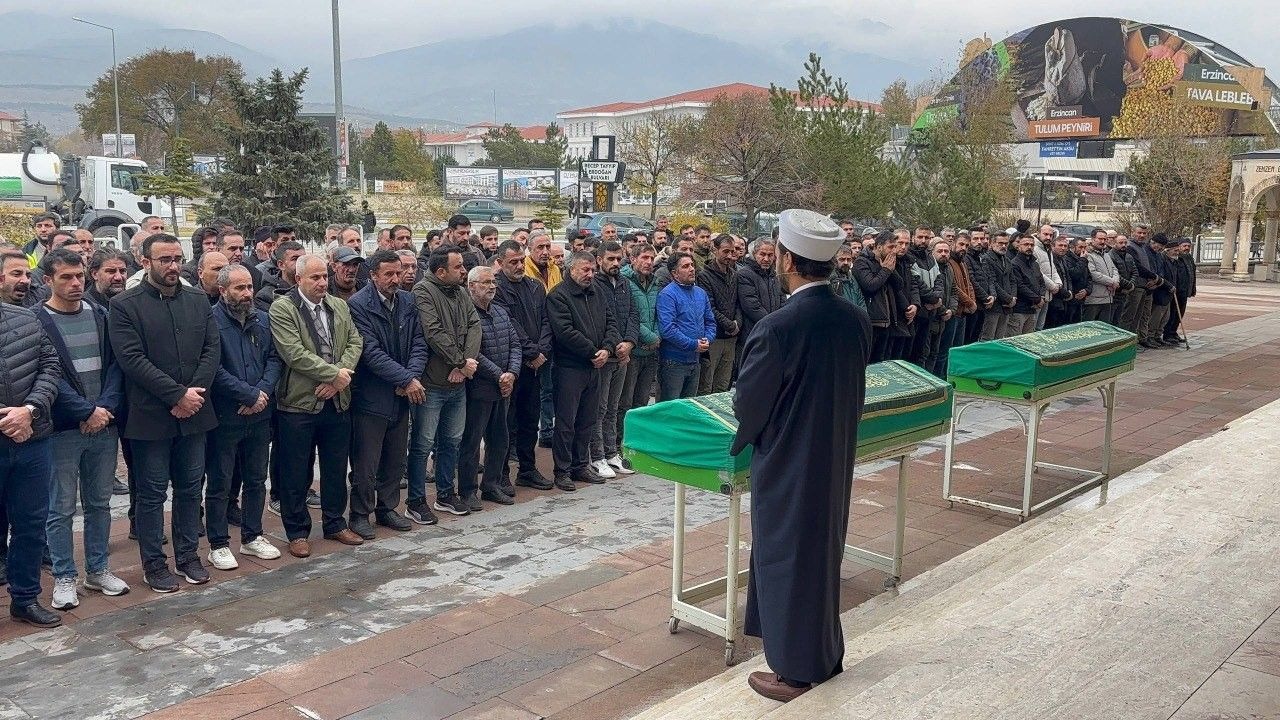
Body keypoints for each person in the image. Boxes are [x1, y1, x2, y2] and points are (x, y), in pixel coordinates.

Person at [731, 210, 871, 702]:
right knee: (822, 554)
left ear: (787, 259)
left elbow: (750, 402)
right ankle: (824, 655)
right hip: (833, 452)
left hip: (789, 460)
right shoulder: (852, 316)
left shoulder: (778, 326)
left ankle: (793, 671)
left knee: (786, 556)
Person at [109, 233, 221, 593]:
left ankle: (188, 556)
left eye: (177, 259)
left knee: (190, 489)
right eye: (164, 260)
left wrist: (193, 394)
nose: (173, 266)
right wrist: (176, 395)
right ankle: (154, 563)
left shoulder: (198, 299)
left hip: (196, 411)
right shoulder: (125, 305)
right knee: (153, 493)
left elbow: (211, 348)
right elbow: (132, 359)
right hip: (151, 415)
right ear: (145, 263)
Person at [37, 248, 131, 610]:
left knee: (99, 503)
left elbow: (115, 367)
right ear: (47, 280)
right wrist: (85, 410)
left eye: (79, 276)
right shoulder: (37, 320)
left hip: (103, 427)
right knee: (60, 508)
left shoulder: (101, 316)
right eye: (66, 277)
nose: (75, 283)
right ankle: (64, 576)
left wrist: (104, 408)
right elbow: (49, 377)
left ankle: (99, 570)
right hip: (63, 429)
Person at [268, 255, 365, 558]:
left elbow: (355, 342)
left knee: (336, 467)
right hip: (298, 404)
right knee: (296, 471)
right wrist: (334, 374)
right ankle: (297, 531)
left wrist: (338, 380)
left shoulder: (339, 305)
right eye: (315, 278)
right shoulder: (283, 308)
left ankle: (335, 523)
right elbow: (293, 353)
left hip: (337, 401)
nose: (322, 283)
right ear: (298, 279)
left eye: (324, 277)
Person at [205, 264, 282, 570]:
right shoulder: (210, 321)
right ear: (222, 290)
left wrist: (261, 393)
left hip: (260, 414)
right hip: (227, 414)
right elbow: (213, 368)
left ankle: (252, 536)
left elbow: (275, 359)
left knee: (255, 479)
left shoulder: (262, 320)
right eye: (238, 288)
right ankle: (218, 543)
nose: (247, 293)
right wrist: (246, 395)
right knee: (220, 481)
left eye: (249, 287)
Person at [0, 250, 62, 627]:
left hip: (32, 436)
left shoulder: (27, 318)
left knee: (30, 523)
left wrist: (30, 410)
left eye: (28, 273)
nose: (25, 280)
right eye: (16, 273)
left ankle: (25, 598)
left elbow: (49, 366)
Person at [347, 250, 427, 537]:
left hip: (402, 393)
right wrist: (406, 378)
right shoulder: (358, 305)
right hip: (372, 396)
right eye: (389, 274)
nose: (396, 279)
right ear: (373, 275)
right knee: (366, 462)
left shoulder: (407, 300)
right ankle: (359, 514)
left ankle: (387, 508)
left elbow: (419, 341)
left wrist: (411, 377)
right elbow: (370, 352)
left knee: (395, 458)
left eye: (399, 273)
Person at [409, 249, 480, 521]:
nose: (464, 271)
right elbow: (433, 332)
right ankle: (416, 500)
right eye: (458, 267)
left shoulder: (460, 292)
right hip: (432, 384)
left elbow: (475, 325)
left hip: (457, 382)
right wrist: (459, 361)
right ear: (441, 272)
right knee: (422, 443)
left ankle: (445, 494)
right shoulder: (423, 291)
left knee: (451, 441)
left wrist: (465, 364)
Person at [546, 251, 621, 489]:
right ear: (571, 269)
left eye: (592, 270)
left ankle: (581, 465)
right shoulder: (558, 296)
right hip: (570, 367)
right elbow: (565, 332)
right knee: (566, 422)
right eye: (585, 270)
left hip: (595, 366)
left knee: (587, 420)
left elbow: (611, 322)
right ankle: (563, 470)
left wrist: (607, 349)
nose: (591, 274)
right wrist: (592, 352)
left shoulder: (596, 292)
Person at [458, 265, 522, 507]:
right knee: (472, 442)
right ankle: (467, 491)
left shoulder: (500, 312)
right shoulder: (466, 314)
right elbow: (473, 352)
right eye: (485, 283)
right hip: (480, 388)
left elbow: (515, 344)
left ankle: (492, 485)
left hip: (503, 387)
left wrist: (512, 373)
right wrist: (499, 375)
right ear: (471, 286)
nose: (492, 286)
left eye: (493, 282)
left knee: (500, 439)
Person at [493, 241, 554, 491]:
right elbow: (509, 325)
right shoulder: (496, 287)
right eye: (513, 262)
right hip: (510, 364)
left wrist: (542, 350)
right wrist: (531, 351)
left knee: (530, 419)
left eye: (521, 261)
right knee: (507, 423)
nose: (519, 266)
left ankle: (527, 469)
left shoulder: (535, 286)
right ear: (500, 263)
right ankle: (501, 473)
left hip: (535, 365)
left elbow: (546, 322)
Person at [589, 242, 638, 479]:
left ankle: (611, 452)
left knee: (615, 407)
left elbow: (632, 315)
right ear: (599, 260)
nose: (615, 263)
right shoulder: (594, 285)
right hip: (605, 354)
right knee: (599, 407)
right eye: (610, 259)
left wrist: (629, 342)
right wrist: (615, 345)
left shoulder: (625, 284)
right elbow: (602, 320)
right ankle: (597, 456)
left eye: (618, 259)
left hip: (623, 355)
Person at [656, 252, 716, 401]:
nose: (692, 269)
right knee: (671, 408)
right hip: (674, 362)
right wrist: (692, 344)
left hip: (695, 360)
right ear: (675, 274)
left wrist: (707, 339)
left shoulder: (700, 293)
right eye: (686, 266)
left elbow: (710, 321)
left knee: (688, 407)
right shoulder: (667, 294)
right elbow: (667, 329)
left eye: (692, 265)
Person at [620, 243, 661, 427]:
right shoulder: (624, 281)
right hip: (634, 351)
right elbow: (629, 315)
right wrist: (650, 337)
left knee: (642, 401)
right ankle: (620, 440)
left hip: (651, 352)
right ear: (633, 259)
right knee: (625, 401)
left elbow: (658, 312)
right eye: (644, 258)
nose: (649, 262)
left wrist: (657, 336)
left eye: (652, 258)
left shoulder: (654, 281)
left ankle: (637, 439)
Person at [853, 231, 909, 362]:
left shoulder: (887, 262)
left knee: (882, 361)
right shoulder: (862, 262)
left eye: (895, 246)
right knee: (868, 362)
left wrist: (890, 269)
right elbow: (870, 286)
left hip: (886, 321)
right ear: (879, 247)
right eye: (890, 247)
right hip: (871, 320)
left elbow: (900, 285)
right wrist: (885, 270)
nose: (894, 250)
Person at [697, 234, 740, 394]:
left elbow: (738, 303)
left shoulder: (734, 275)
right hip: (714, 337)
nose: (729, 255)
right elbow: (710, 308)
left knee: (723, 385)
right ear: (715, 250)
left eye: (732, 251)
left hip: (731, 338)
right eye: (725, 251)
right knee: (706, 384)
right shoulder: (704, 276)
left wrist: (737, 324)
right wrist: (729, 324)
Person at [979, 233, 1015, 340]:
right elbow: (992, 281)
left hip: (1007, 306)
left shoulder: (1007, 260)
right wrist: (1008, 298)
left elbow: (1013, 280)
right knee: (988, 338)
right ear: (992, 243)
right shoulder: (986, 259)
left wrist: (1013, 297)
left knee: (999, 338)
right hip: (994, 305)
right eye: (1000, 243)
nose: (1003, 246)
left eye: (1006, 243)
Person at [1008, 235, 1046, 336]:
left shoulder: (1035, 264)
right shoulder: (1014, 264)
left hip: (1033, 308)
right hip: (1019, 309)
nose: (1029, 247)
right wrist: (1037, 299)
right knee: (1015, 340)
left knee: (1028, 339)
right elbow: (1020, 286)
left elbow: (1041, 282)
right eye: (1026, 244)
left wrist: (1041, 296)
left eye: (1032, 245)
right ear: (1019, 246)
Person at [1083, 229, 1120, 323]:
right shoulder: (1088, 255)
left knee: (1104, 329)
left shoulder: (1106, 255)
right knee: (1089, 328)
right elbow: (1093, 273)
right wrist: (1112, 282)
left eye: (1105, 239)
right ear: (1093, 239)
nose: (1103, 241)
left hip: (1108, 298)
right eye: (1100, 239)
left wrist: (1115, 282)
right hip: (1094, 300)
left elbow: (1114, 269)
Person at [1164, 238, 1196, 343]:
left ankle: (1173, 332)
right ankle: (1168, 333)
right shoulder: (1176, 259)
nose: (1186, 248)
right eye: (1184, 246)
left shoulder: (1189, 258)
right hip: (1177, 291)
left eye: (1188, 246)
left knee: (1179, 314)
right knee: (1173, 313)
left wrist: (1192, 289)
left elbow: (1192, 275)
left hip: (1185, 291)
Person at [830, 245, 866, 311]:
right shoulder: (830, 280)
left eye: (849, 259)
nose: (846, 263)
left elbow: (861, 301)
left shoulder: (852, 279)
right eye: (842, 259)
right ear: (835, 260)